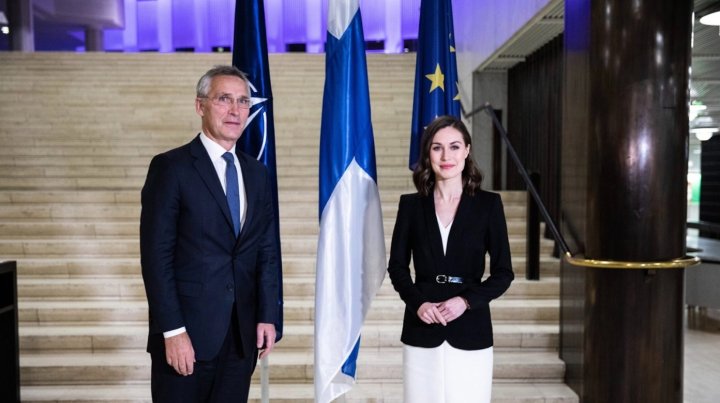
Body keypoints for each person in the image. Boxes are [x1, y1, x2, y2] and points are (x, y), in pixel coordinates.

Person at [140, 65, 280, 402]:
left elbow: (266, 249)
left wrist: (268, 315)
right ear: (200, 105)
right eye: (224, 99)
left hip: (241, 337)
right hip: (186, 335)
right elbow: (156, 257)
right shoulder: (171, 168)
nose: (235, 110)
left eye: (243, 101)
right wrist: (173, 331)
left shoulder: (257, 174)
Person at [387, 115, 514, 403]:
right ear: (427, 154)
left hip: (471, 329)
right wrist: (418, 303)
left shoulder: (488, 205)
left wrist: (465, 301)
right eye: (437, 148)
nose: (446, 156)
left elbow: (503, 273)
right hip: (422, 327)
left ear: (467, 151)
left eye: (455, 147)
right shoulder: (411, 205)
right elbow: (397, 267)